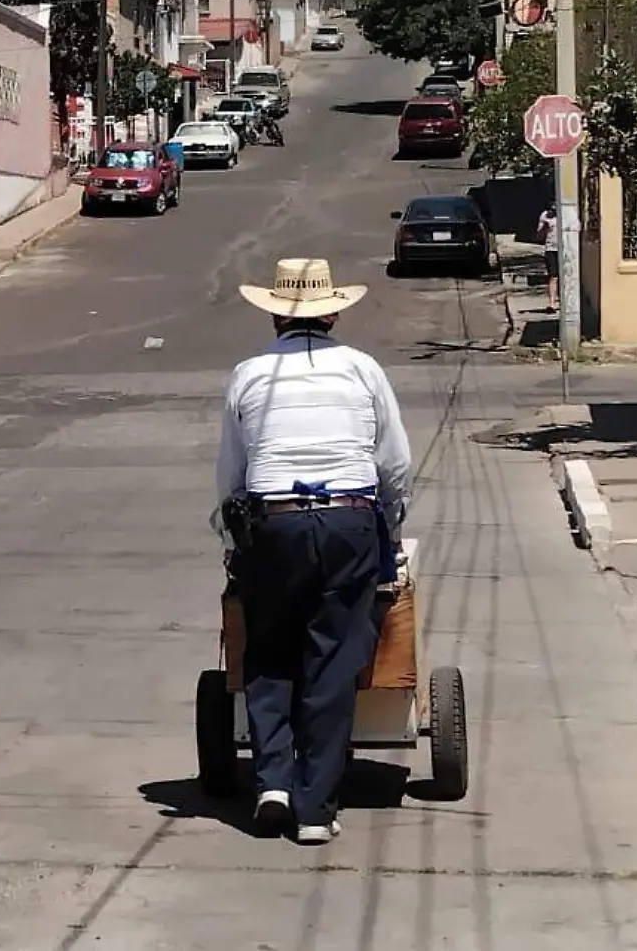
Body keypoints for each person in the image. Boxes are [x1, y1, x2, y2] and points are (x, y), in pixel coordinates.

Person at [215, 258, 412, 846]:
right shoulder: (362, 369)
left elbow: (232, 473)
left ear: (275, 311)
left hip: (273, 522)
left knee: (269, 650)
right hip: (349, 521)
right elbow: (394, 463)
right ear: (333, 311)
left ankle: (271, 781)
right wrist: (391, 527)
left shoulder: (248, 374)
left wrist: (234, 539)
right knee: (332, 662)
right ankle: (314, 811)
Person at [537, 204, 559, 311]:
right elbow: (539, 235)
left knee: (566, 277)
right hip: (551, 249)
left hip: (565, 249)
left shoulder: (566, 214)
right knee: (553, 276)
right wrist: (544, 227)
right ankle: (552, 304)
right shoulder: (545, 215)